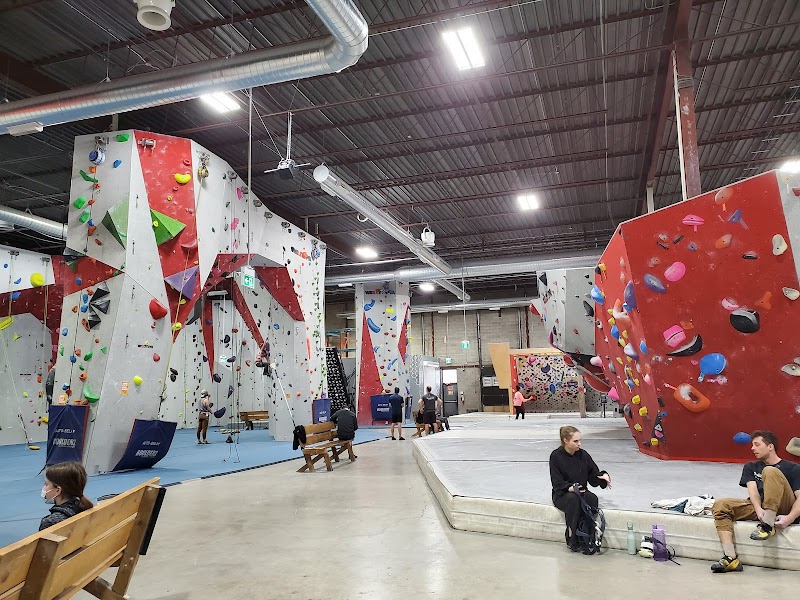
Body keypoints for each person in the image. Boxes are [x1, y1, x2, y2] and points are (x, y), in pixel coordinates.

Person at [710, 430, 800, 573]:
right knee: (721, 505)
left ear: (770, 446)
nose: (752, 448)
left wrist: (790, 518)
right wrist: (758, 509)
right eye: (752, 445)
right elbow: (753, 492)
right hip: (763, 508)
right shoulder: (751, 467)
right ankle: (730, 558)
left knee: (770, 471)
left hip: (784, 507)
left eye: (757, 445)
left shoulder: (793, 468)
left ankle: (767, 526)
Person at [549, 426, 611, 551]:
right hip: (562, 494)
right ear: (566, 441)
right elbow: (557, 482)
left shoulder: (583, 455)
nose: (579, 444)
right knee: (573, 500)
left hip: (581, 491)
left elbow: (593, 477)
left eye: (580, 440)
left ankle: (587, 534)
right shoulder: (556, 456)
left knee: (592, 499)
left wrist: (603, 476)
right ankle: (572, 535)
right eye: (575, 441)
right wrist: (569, 487)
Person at [39, 461, 94, 531]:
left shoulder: (50, 523)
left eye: (46, 484)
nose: (44, 487)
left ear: (58, 490)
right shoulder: (83, 507)